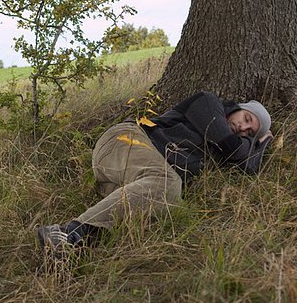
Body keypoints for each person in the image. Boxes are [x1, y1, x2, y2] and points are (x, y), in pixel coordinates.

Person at [37, 91, 273, 250]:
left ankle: (75, 247)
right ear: (238, 108)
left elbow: (246, 168)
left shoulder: (222, 146)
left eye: (250, 133)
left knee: (167, 210)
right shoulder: (208, 102)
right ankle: (68, 233)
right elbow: (236, 152)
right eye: (246, 118)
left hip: (128, 172)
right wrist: (259, 144)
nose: (242, 127)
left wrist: (259, 147)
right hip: (125, 140)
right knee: (169, 185)